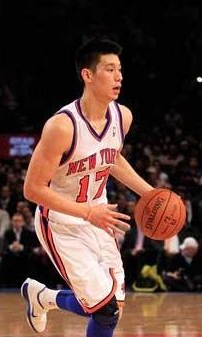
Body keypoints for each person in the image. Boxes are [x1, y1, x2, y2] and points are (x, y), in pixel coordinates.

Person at [21, 38, 154, 337]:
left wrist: (149, 192)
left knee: (111, 311)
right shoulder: (62, 126)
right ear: (88, 75)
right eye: (109, 69)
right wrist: (86, 212)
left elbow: (111, 157)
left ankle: (43, 297)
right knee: (104, 308)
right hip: (60, 221)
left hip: (98, 217)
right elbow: (32, 189)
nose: (119, 76)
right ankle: (43, 297)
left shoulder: (123, 116)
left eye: (120, 69)